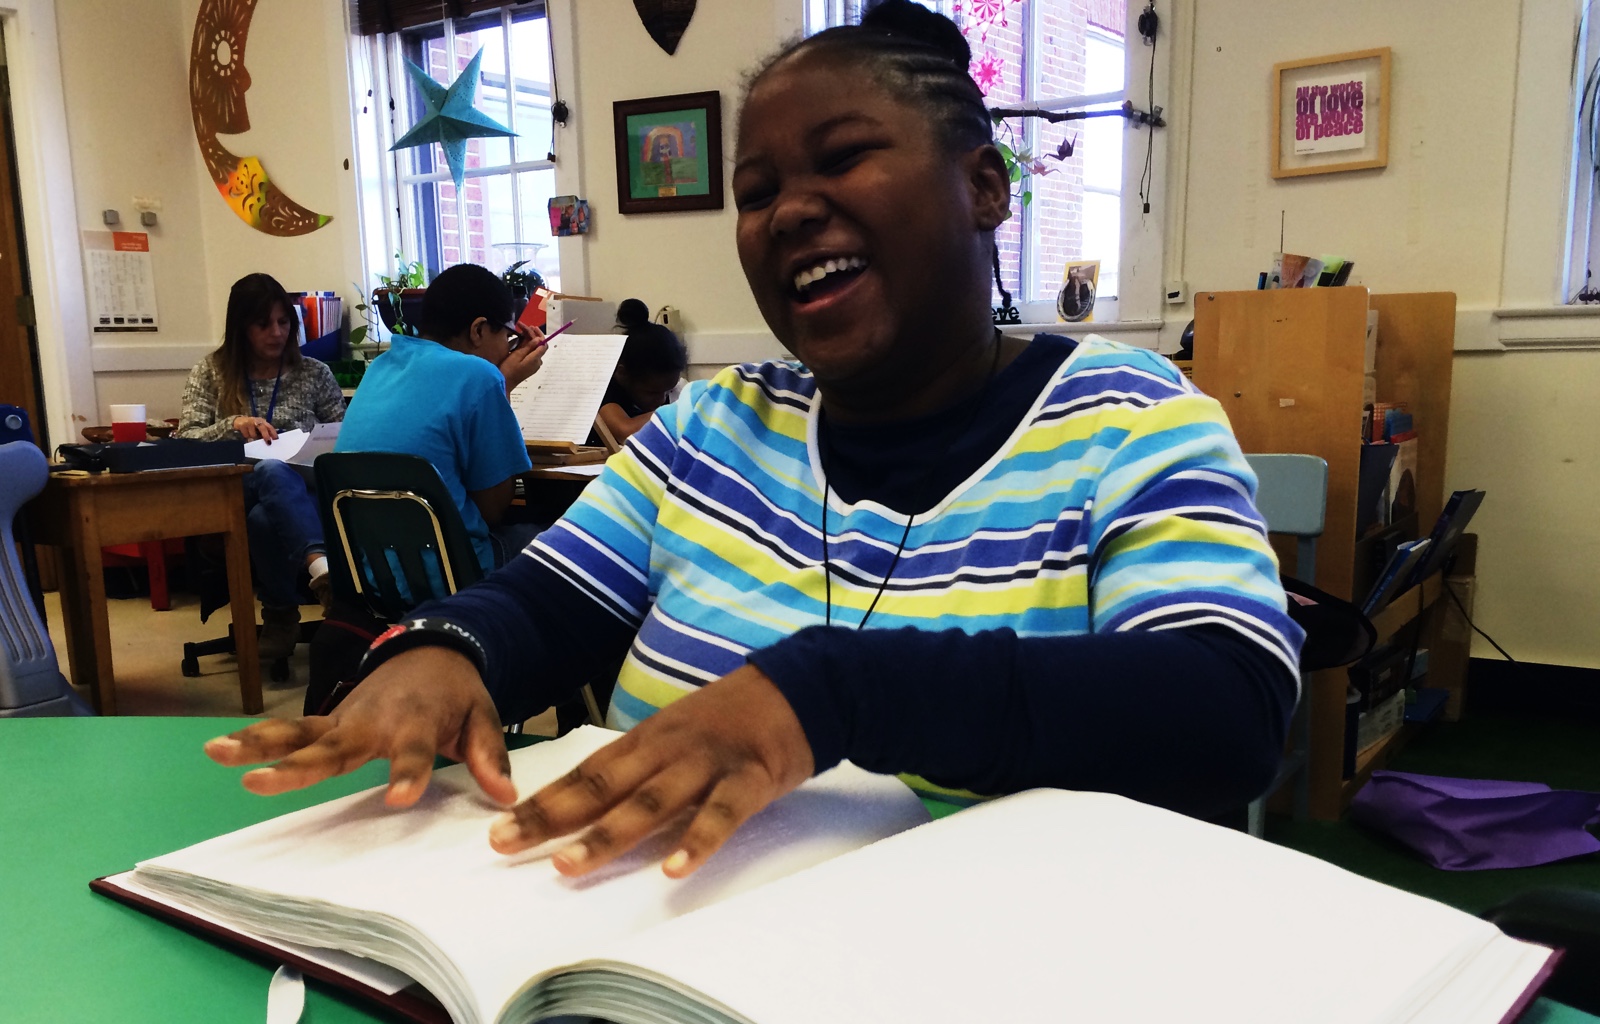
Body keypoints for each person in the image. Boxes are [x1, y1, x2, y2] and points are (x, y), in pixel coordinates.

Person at [205, 2, 1301, 888]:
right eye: (758, 192)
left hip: (1002, 1016)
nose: (787, 212)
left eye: (844, 158)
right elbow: (544, 603)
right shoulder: (713, 429)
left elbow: (1227, 708)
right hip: (659, 981)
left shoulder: (1132, 417)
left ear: (982, 186)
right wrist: (443, 649)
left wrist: (838, 692)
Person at [178, 273, 346, 661]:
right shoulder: (212, 372)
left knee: (263, 519)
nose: (277, 333)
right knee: (269, 471)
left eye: (284, 322)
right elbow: (186, 439)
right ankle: (322, 572)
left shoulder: (314, 373)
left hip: (307, 490)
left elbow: (343, 435)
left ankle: (281, 615)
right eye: (263, 324)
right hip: (233, 488)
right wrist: (232, 425)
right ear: (241, 328)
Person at [336, 264, 546, 571]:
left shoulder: (380, 367)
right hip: (449, 572)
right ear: (479, 330)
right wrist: (505, 383)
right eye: (508, 335)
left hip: (371, 574)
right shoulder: (480, 375)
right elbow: (493, 509)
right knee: (558, 542)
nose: (507, 347)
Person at [595, 299, 687, 445]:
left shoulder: (673, 385)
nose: (662, 400)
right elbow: (624, 431)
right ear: (622, 374)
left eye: (667, 392)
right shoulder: (605, 389)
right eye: (652, 393)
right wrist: (684, 410)